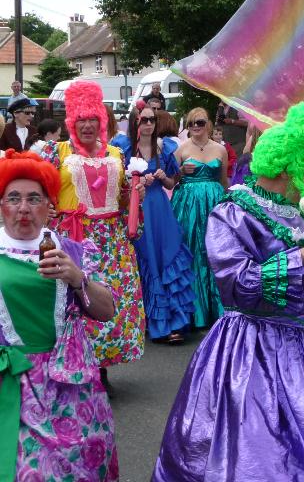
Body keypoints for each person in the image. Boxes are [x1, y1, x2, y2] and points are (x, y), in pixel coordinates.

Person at [153, 102, 304, 481]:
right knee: (261, 455)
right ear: (290, 168)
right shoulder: (232, 212)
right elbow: (237, 284)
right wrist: (301, 258)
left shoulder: (301, 212)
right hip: (251, 351)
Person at [0, 150, 118, 480]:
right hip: (11, 385)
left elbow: (107, 311)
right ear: (1, 205)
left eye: (34, 198)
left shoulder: (71, 249)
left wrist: (77, 278)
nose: (23, 208)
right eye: (14, 198)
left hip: (69, 383)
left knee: (79, 468)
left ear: (49, 205)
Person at [42, 80, 146, 397]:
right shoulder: (55, 152)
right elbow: (39, 190)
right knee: (75, 302)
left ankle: (100, 370)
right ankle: (73, 367)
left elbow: (123, 195)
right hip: (74, 237)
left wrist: (135, 192)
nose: (88, 125)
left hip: (112, 240)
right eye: (81, 120)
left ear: (102, 121)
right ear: (72, 123)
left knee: (109, 301)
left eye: (93, 119)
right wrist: (45, 208)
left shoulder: (116, 153)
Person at [117, 106, 195, 344]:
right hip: (136, 209)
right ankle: (148, 321)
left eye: (152, 119)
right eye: (143, 120)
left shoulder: (164, 148)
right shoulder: (124, 149)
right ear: (135, 123)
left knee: (167, 256)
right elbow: (118, 184)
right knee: (145, 259)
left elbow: (171, 184)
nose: (148, 124)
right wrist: (136, 182)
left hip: (160, 209)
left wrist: (163, 178)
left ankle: (174, 321)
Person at [172, 107, 228, 327]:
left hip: (215, 204)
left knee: (216, 252)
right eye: (191, 123)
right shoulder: (181, 150)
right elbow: (170, 179)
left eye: (200, 122)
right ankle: (195, 313)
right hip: (189, 207)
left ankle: (219, 309)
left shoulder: (220, 150)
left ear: (208, 125)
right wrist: (180, 172)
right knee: (193, 251)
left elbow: (224, 181)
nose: (196, 127)